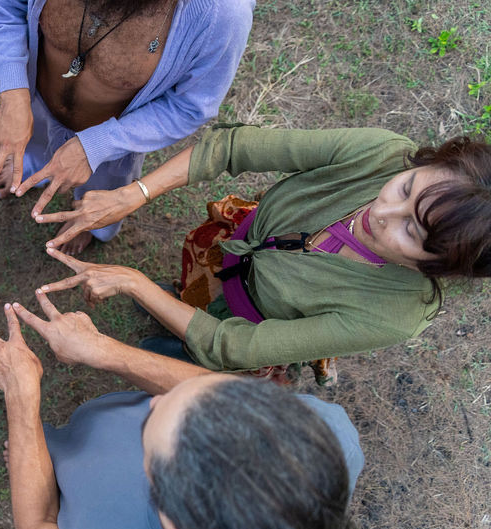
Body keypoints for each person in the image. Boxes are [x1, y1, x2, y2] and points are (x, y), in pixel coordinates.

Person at [36, 125, 491, 382]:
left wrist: (132, 282)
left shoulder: (392, 314)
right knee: (184, 298)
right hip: (227, 259)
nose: (383, 210)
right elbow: (232, 148)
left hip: (245, 321)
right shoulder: (385, 153)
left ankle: (168, 334)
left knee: (179, 353)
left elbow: (232, 346)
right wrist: (134, 193)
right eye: (407, 187)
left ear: (437, 264)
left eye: (411, 231)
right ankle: (174, 308)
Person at [0, 304, 366, 529]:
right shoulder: (328, 438)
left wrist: (21, 404)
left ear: (174, 527)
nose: (157, 399)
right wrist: (107, 353)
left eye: (149, 433)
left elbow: (37, 526)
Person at [0, 0, 257, 254]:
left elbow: (190, 107)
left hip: (114, 150)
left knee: (102, 197)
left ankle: (94, 227)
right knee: (29, 142)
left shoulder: (224, 11)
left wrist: (96, 146)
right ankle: (30, 165)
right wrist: (14, 95)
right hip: (35, 101)